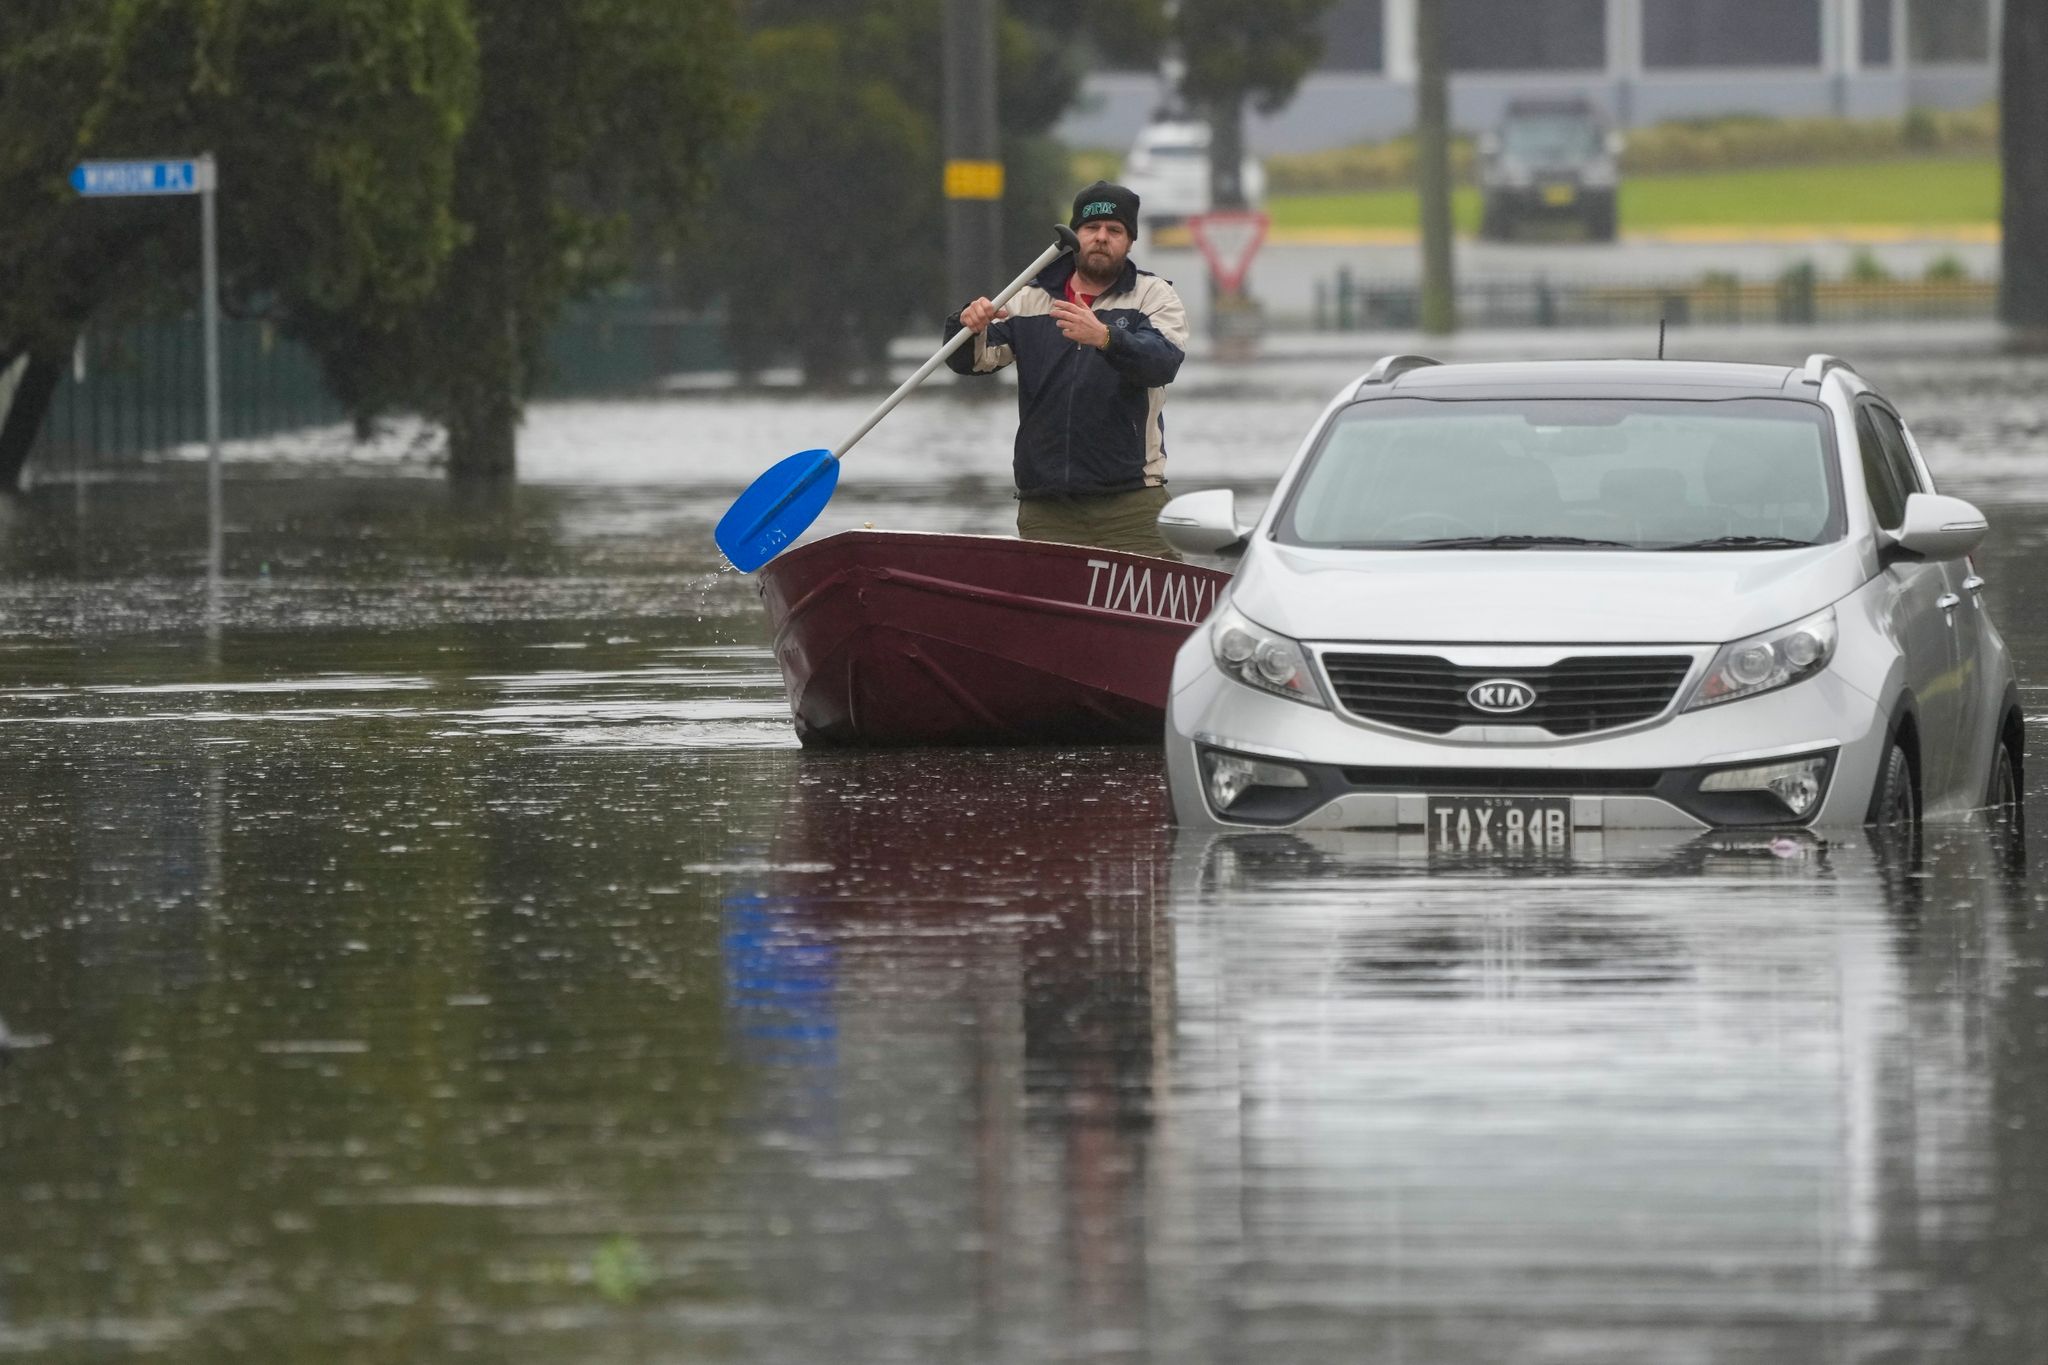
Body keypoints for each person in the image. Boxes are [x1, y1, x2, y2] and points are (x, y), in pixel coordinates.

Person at [945, 181, 1189, 560]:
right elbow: (972, 361)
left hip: (1131, 502)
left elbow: (1163, 362)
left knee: (1146, 615)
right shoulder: (1028, 297)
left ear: (1130, 242)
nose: (1101, 238)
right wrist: (966, 324)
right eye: (1092, 228)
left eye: (1115, 230)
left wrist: (1106, 337)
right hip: (1047, 506)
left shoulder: (1152, 295)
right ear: (1076, 235)